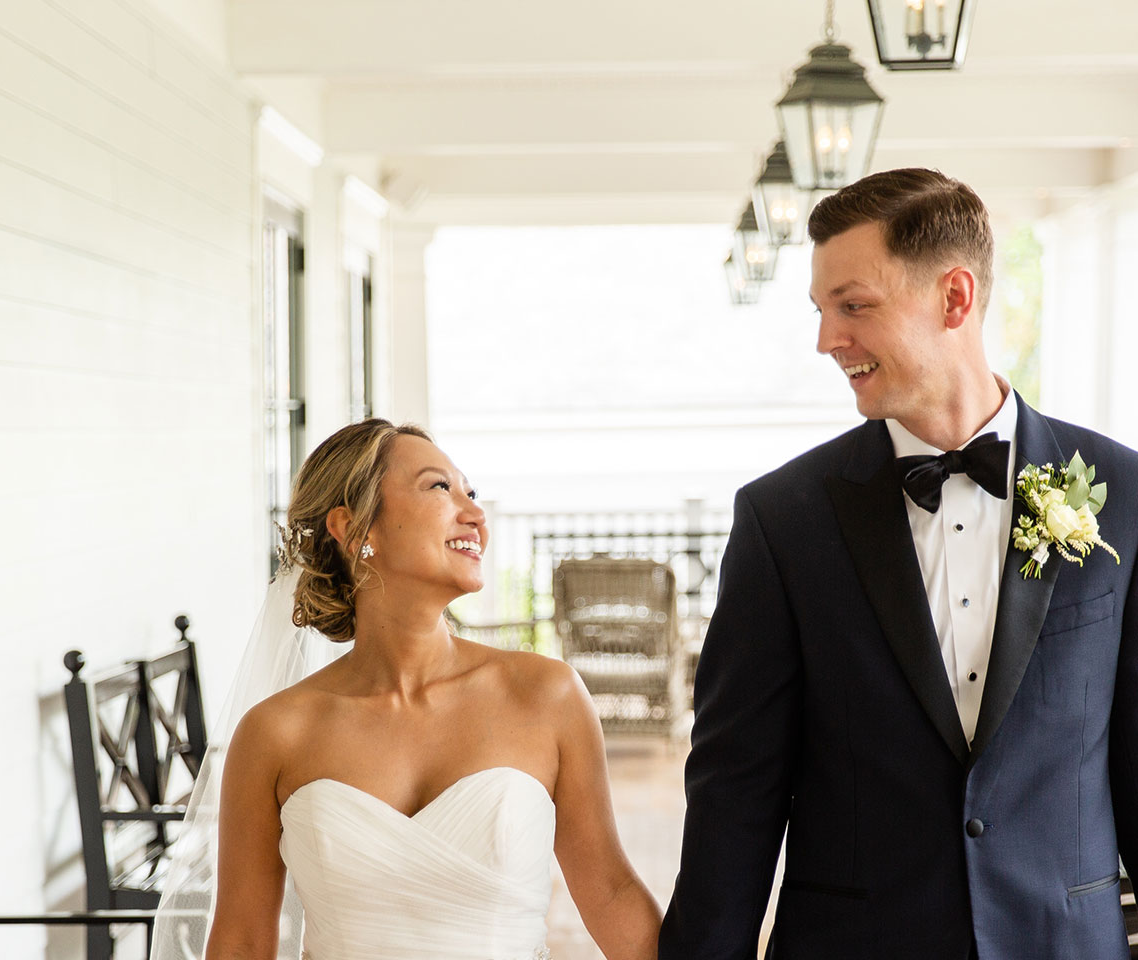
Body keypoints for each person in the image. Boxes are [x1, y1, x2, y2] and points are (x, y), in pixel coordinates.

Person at [659, 168, 1138, 959]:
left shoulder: (1123, 494)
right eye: (821, 311)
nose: (826, 340)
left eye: (853, 306)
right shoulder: (783, 520)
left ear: (954, 298)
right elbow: (735, 796)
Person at [153, 418, 660, 960]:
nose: (475, 515)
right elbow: (241, 942)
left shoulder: (547, 696)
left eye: (471, 493)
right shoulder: (274, 733)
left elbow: (612, 894)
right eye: (439, 487)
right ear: (354, 530)